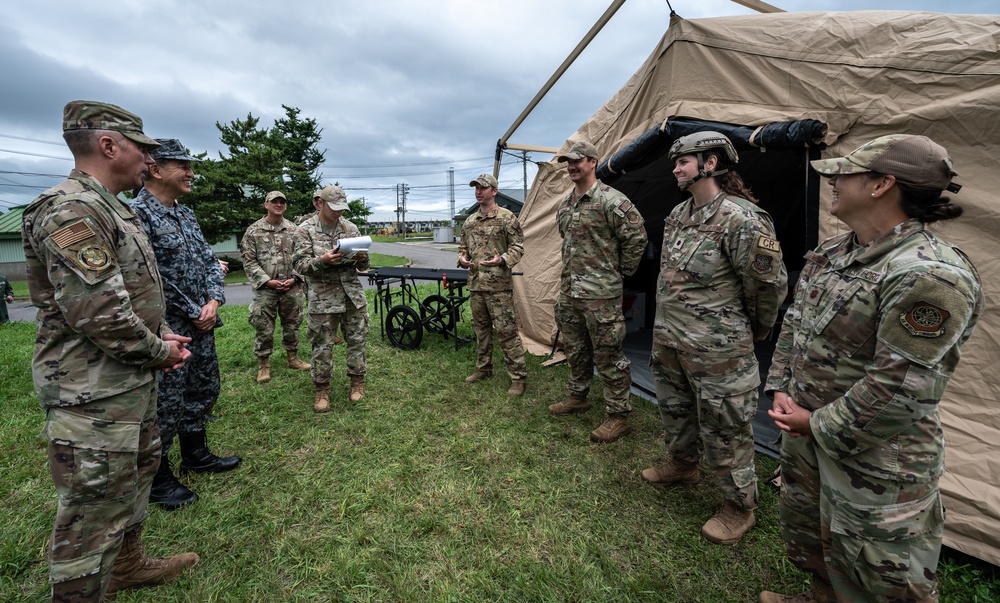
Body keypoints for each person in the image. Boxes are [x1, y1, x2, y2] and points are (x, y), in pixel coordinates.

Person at [761, 134, 983, 603]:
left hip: (878, 459)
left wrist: (815, 423)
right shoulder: (837, 252)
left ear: (883, 184)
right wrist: (781, 385)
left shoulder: (928, 274)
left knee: (878, 574)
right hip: (811, 436)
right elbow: (796, 323)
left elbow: (903, 387)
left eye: (847, 172)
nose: (833, 181)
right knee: (818, 541)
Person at [21, 100, 198, 602]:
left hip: (126, 379)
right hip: (90, 389)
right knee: (92, 509)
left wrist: (161, 332)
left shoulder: (112, 208)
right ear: (108, 145)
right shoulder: (70, 211)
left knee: (134, 478)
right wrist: (159, 350)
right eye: (142, 149)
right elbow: (98, 314)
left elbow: (136, 290)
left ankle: (127, 566)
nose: (148, 159)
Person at [640, 131, 788, 545]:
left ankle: (740, 507)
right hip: (671, 340)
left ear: (710, 163)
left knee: (726, 426)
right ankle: (683, 464)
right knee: (676, 409)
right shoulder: (678, 213)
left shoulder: (743, 219)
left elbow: (768, 288)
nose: (675, 168)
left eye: (682, 161)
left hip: (719, 350)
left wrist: (751, 334)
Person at [131, 138, 241, 511]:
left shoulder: (185, 214)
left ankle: (196, 454)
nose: (191, 173)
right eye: (183, 166)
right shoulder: (137, 215)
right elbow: (150, 276)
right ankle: (158, 479)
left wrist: (213, 301)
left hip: (202, 322)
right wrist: (194, 307)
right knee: (166, 400)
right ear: (156, 169)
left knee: (203, 387)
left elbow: (211, 262)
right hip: (167, 327)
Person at [548, 141, 648, 443]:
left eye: (577, 161)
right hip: (570, 292)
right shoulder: (565, 204)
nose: (571, 166)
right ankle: (578, 397)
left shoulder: (612, 200)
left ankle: (618, 416)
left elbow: (637, 238)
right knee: (575, 349)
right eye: (568, 162)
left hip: (601, 296)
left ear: (593, 162)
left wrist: (619, 272)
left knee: (608, 355)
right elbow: (568, 241)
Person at [292, 185, 370, 412]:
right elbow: (299, 265)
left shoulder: (351, 228)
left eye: (342, 208)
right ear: (319, 203)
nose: (339, 213)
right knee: (322, 345)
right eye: (334, 207)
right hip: (323, 298)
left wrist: (363, 258)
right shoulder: (304, 230)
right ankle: (322, 388)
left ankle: (357, 381)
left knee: (357, 340)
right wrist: (323, 260)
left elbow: (364, 265)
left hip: (351, 295)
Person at [458, 173, 528, 395]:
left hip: (499, 288)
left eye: (483, 188)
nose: (478, 191)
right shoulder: (469, 222)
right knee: (481, 330)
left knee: (507, 332)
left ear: (494, 191)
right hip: (476, 285)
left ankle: (518, 377)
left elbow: (518, 246)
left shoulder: (507, 218)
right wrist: (461, 259)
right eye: (476, 188)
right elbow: (463, 249)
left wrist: (503, 259)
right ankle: (484, 368)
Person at [240, 190, 311, 383]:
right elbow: (249, 261)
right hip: (266, 289)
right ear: (266, 205)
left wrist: (295, 278)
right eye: (274, 202)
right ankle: (264, 364)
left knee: (293, 324)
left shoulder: (294, 230)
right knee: (263, 326)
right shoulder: (253, 231)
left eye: (282, 202)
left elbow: (303, 256)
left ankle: (293, 358)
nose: (278, 205)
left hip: (292, 287)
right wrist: (266, 281)